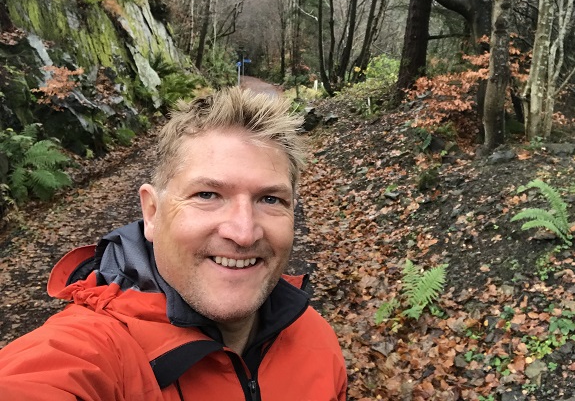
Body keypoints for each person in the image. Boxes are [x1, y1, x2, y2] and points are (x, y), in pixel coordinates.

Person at [0, 87, 347, 400]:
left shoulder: (317, 340)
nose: (243, 233)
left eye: (270, 200)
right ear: (152, 213)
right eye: (207, 194)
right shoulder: (95, 351)